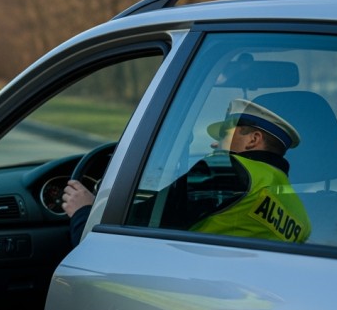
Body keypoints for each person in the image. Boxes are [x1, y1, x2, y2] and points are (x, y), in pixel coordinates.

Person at [62, 98, 311, 246]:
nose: (215, 144)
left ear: (253, 140)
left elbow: (140, 223)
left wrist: (84, 212)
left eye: (224, 134)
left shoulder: (227, 170)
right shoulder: (302, 217)